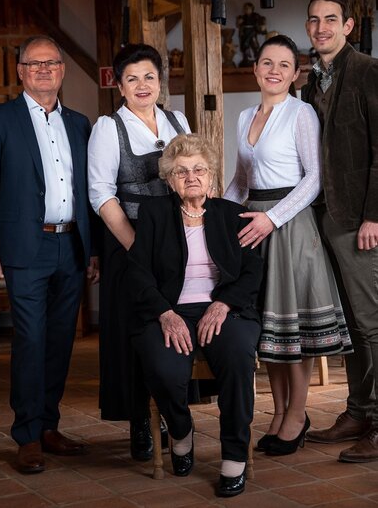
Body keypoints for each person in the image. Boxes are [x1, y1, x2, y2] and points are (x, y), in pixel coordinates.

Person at [224, 35, 352, 457]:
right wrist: (213, 218)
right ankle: (278, 414)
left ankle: (297, 415)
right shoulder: (245, 117)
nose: (274, 70)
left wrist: (271, 218)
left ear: (295, 74)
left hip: (291, 228)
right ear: (256, 68)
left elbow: (314, 179)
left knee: (292, 333)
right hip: (255, 227)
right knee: (269, 333)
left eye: (284, 64)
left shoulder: (302, 114)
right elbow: (242, 182)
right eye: (267, 62)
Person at [0, 35, 99, 474]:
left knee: (58, 342)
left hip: (71, 245)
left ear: (62, 70)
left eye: (51, 63)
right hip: (23, 248)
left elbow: (90, 192)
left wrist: (93, 251)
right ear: (20, 71)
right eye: (34, 64)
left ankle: (50, 426)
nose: (44, 70)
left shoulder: (80, 123)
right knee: (30, 341)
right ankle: (28, 435)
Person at [127, 133, 263, 497]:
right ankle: (182, 431)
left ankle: (233, 456)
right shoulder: (155, 215)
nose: (191, 177)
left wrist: (224, 304)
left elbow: (252, 270)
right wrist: (164, 313)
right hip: (170, 310)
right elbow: (137, 272)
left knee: (236, 359)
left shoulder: (231, 215)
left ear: (211, 176)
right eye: (182, 171)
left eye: (199, 169)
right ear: (170, 180)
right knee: (162, 366)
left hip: (224, 309)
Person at [88, 43, 190, 461]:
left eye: (149, 76)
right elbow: (100, 192)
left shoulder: (176, 119)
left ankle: (172, 414)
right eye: (132, 78)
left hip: (175, 242)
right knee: (134, 334)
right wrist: (136, 247)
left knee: (171, 329)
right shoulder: (108, 127)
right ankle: (137, 422)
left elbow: (193, 173)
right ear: (119, 84)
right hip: (128, 245)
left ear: (160, 80)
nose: (142, 85)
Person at [302, 0, 378, 463]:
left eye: (331, 19)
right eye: (314, 20)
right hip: (324, 218)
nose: (322, 27)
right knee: (349, 324)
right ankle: (359, 411)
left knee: (374, 322)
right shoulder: (312, 82)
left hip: (360, 219)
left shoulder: (369, 72)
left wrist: (375, 214)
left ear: (348, 26)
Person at [237, 2, 267, 67]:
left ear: (252, 9)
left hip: (252, 32)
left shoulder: (255, 16)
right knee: (245, 46)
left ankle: (258, 59)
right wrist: (239, 22)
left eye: (248, 8)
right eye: (245, 9)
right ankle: (246, 59)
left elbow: (262, 20)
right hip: (245, 33)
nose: (247, 10)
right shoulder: (243, 17)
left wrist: (262, 25)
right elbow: (238, 25)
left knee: (255, 45)